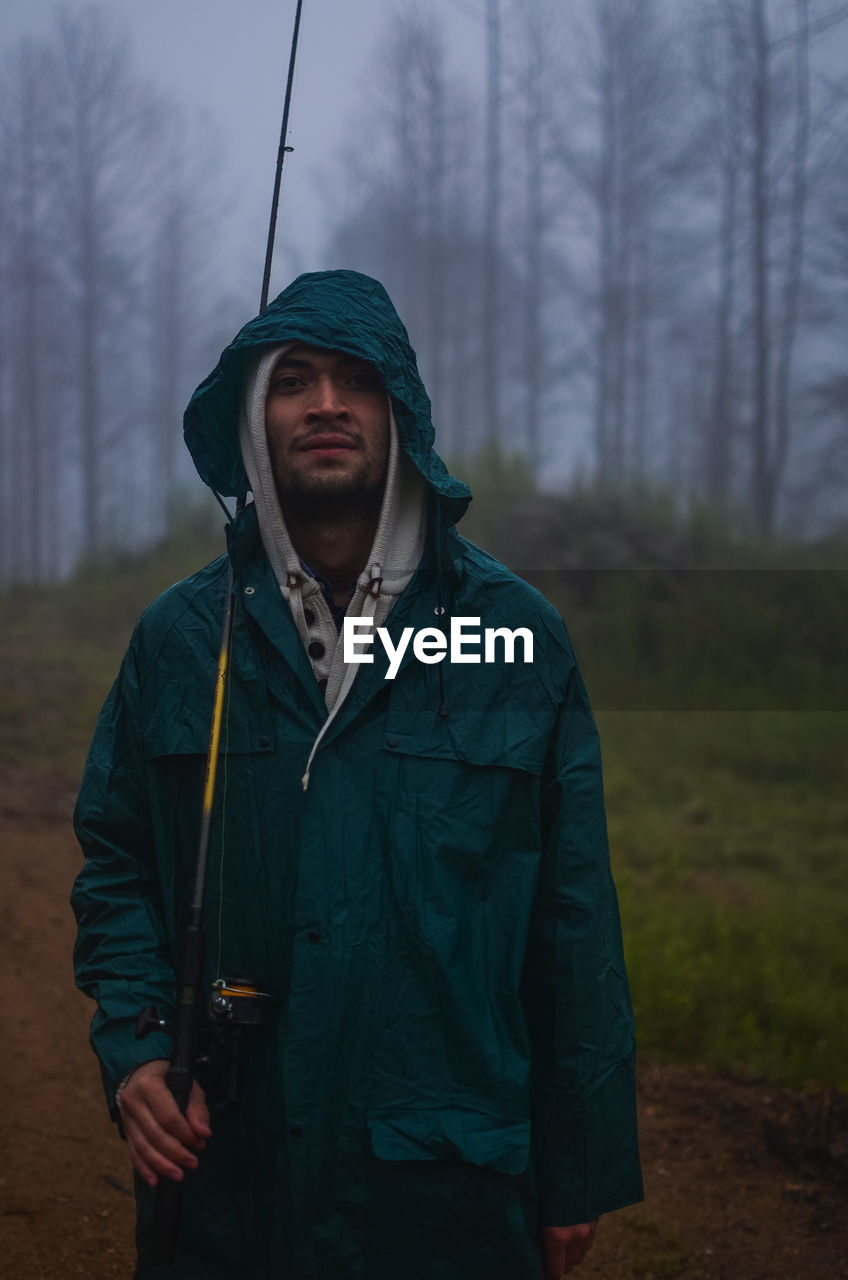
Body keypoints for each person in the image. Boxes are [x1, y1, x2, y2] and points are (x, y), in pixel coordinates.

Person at [71, 269, 643, 1280]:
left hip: (446, 1190)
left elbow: (571, 923)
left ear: (401, 413)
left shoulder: (512, 637)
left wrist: (574, 1166)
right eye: (293, 380)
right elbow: (116, 859)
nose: (326, 404)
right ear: (253, 418)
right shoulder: (180, 639)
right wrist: (137, 1039)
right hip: (223, 1188)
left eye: (356, 380)